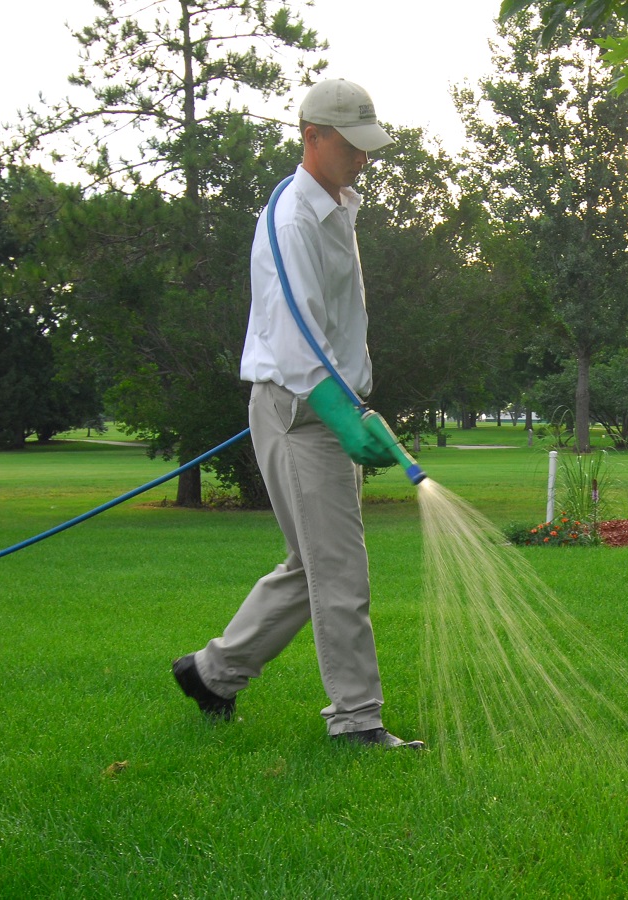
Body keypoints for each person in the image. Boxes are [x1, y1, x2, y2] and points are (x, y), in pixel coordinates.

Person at [172, 78, 424, 750]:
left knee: (312, 561)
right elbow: (297, 334)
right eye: (352, 146)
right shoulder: (294, 219)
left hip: (322, 403)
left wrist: (353, 403)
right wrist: (341, 415)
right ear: (312, 137)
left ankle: (212, 674)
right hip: (300, 409)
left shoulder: (338, 203)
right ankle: (356, 722)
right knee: (339, 568)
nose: (364, 159)